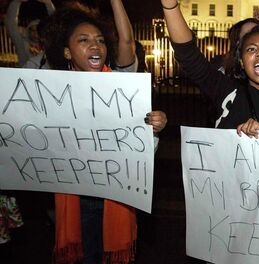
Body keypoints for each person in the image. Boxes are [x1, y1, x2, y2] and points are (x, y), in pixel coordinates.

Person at [43, 2, 167, 263]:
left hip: (115, 196)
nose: (95, 45)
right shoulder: (50, 92)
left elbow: (142, 150)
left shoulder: (120, 89)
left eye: (100, 40)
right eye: (84, 40)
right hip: (77, 199)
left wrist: (152, 130)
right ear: (67, 52)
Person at [161, 0, 259, 137]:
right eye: (251, 49)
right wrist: (170, 6)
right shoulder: (225, 91)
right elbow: (188, 54)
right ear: (241, 61)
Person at [4, 0, 55, 67]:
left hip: (44, 76)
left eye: (37, 30)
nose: (35, 33)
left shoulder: (48, 44)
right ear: (28, 30)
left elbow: (56, 25)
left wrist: (49, 3)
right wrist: (16, 2)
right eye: (32, 30)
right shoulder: (22, 43)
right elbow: (11, 24)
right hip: (25, 75)